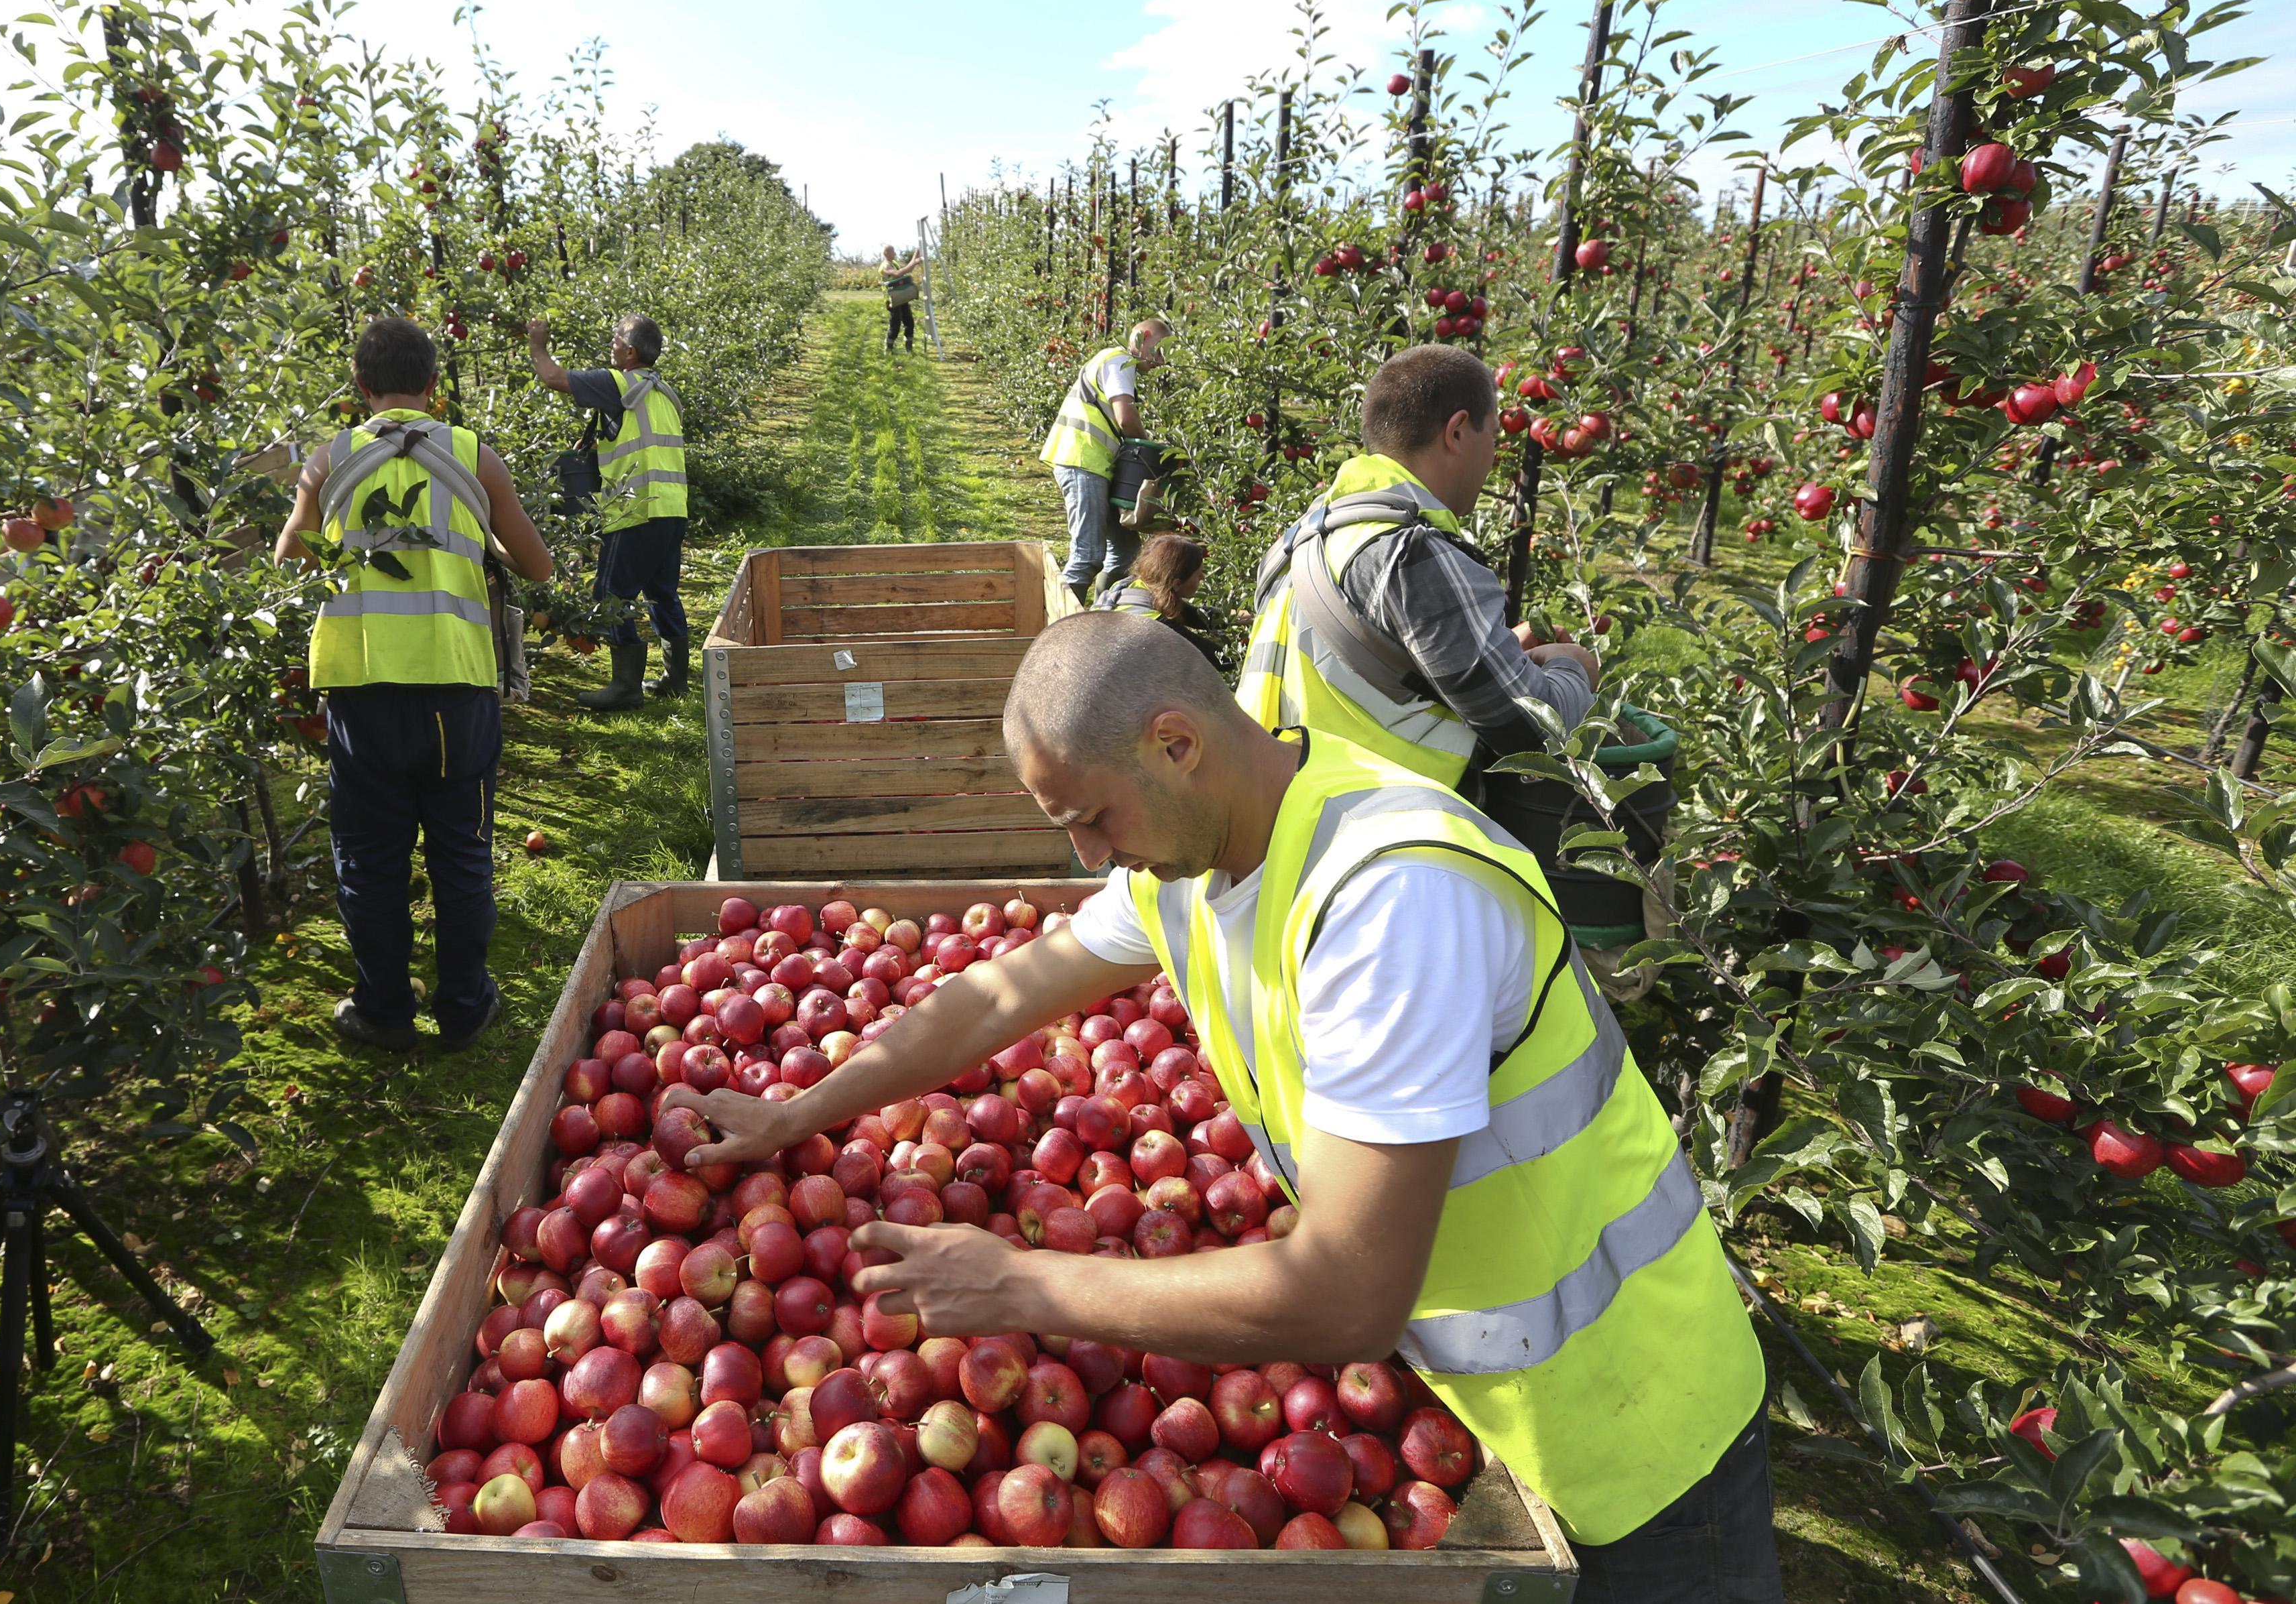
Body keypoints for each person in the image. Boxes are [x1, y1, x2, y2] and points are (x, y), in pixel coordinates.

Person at [676, 613, 1776, 1599]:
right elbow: (998, 996)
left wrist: (1023, 1283)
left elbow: (1346, 1294)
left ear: (1176, 742)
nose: (1089, 854)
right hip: (1492, 1400)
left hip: (1636, 1430)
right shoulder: (1197, 862)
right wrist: (800, 1109)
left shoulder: (1388, 901)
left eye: (1094, 816)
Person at [274, 315, 554, 1053]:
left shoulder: (327, 460)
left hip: (361, 688)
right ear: (433, 386)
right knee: (459, 850)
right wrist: (477, 533)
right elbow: (539, 567)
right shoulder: (473, 458)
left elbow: (288, 561)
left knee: (371, 860)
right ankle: (465, 1007)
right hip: (455, 689)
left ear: (359, 388)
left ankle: (384, 1011)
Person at [1238, 343, 1599, 790]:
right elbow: (1535, 734)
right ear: (1459, 432)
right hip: (1382, 831)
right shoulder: (1413, 554)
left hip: (1282, 813)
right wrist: (1573, 668)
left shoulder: (1300, 540)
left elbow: (1367, 679)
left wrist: (1497, 651)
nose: (1492, 458)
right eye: (1493, 437)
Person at [525, 313, 688, 710]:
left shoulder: (618, 383)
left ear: (630, 351)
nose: (611, 344)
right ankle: (675, 679)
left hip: (634, 512)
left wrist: (537, 345)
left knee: (610, 596)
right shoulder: (662, 392)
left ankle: (625, 687)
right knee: (662, 594)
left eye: (616, 338)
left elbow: (553, 378)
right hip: (671, 509)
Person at [1041, 318, 1165, 601]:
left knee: (1125, 553)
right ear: (1142, 338)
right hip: (1082, 459)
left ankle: (1103, 618)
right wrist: (1151, 449)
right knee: (1088, 555)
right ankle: (1060, 629)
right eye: (1158, 351)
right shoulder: (1119, 361)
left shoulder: (1120, 365)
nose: (1160, 361)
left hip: (1098, 465)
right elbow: (1125, 418)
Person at [1096, 531, 1223, 670]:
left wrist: (1247, 617)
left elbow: (1198, 616)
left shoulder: (1130, 586)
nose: (1203, 577)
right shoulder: (1156, 625)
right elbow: (1220, 660)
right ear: (1177, 584)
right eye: (1198, 575)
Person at [880, 245, 923, 353]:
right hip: (893, 299)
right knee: (895, 323)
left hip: (901, 296)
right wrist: (915, 261)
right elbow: (898, 273)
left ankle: (909, 348)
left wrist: (915, 256)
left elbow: (908, 269)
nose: (895, 254)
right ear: (886, 254)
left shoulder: (894, 263)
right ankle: (889, 348)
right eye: (893, 252)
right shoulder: (885, 266)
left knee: (909, 322)